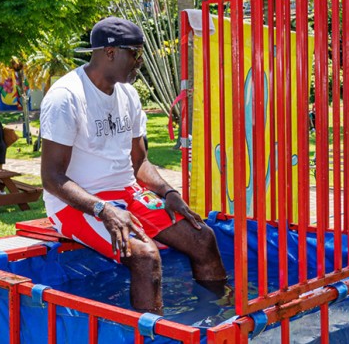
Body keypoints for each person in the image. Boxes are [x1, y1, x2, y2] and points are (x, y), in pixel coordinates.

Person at [40, 17, 226, 314]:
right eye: (135, 53)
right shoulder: (66, 97)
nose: (140, 61)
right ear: (110, 52)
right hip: (76, 203)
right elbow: (51, 178)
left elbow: (140, 163)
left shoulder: (128, 94)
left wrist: (168, 192)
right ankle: (153, 334)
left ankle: (216, 319)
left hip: (127, 193)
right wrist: (103, 209)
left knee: (203, 238)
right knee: (145, 256)